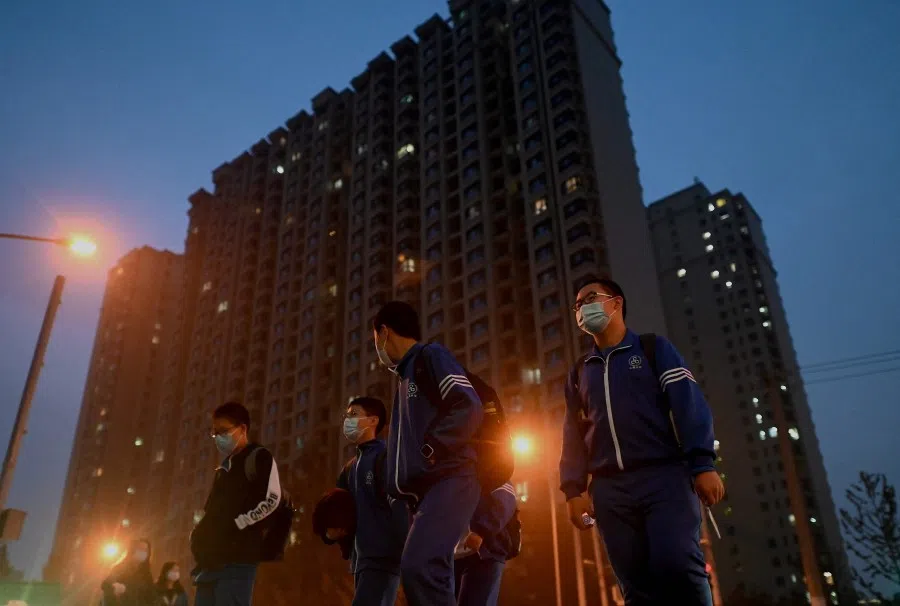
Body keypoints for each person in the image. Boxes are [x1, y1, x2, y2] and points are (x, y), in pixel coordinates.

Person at [560, 276, 725, 605]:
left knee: (676, 562)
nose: (582, 308)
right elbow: (573, 435)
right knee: (633, 582)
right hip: (609, 491)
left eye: (590, 298)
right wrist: (573, 490)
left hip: (664, 479)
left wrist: (703, 464)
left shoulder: (653, 349)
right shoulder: (580, 371)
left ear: (616, 302)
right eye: (577, 305)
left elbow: (689, 405)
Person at [372, 301, 484, 606]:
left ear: (383, 333)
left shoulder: (429, 356)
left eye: (375, 339)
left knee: (419, 567)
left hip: (451, 479)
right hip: (425, 494)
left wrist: (430, 449)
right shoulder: (404, 378)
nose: (377, 348)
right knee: (430, 574)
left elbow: (468, 404)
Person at [190, 401, 283, 606]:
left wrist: (238, 525)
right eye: (215, 433)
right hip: (209, 563)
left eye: (223, 431)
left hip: (236, 563)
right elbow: (211, 513)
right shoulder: (223, 469)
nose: (218, 438)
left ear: (242, 429)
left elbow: (272, 501)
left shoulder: (259, 457)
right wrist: (198, 537)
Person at [336, 396, 409, 606]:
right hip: (360, 560)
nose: (347, 420)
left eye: (354, 414)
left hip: (384, 557)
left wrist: (407, 549)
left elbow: (400, 504)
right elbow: (339, 510)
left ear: (373, 420)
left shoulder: (386, 457)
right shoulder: (350, 467)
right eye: (346, 416)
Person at [453, 482, 517, 606]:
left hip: (484, 554)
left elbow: (505, 502)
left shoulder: (493, 468)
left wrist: (481, 531)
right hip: (454, 555)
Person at [100, 538, 156, 606]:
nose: (143, 552)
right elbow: (105, 585)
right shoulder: (120, 568)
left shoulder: (147, 574)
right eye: (140, 549)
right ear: (132, 550)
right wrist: (116, 588)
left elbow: (151, 596)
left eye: (146, 550)